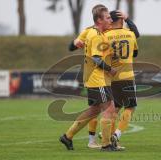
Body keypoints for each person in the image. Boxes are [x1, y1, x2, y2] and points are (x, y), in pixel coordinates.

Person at [71, 10, 139, 149]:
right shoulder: (130, 34)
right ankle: (115, 136)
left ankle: (92, 139)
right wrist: (129, 20)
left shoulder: (104, 35)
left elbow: (86, 47)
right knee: (129, 107)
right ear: (121, 20)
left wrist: (77, 42)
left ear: (111, 21)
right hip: (126, 76)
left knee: (105, 109)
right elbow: (135, 51)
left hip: (107, 77)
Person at [59, 4, 121, 152]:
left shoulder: (91, 32)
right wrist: (111, 69)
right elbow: (97, 59)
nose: (110, 20)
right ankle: (106, 145)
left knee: (93, 111)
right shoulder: (96, 35)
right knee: (110, 109)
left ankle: (67, 136)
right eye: (107, 18)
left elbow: (75, 46)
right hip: (97, 78)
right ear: (99, 20)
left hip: (94, 78)